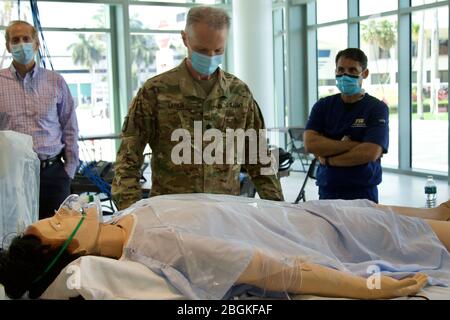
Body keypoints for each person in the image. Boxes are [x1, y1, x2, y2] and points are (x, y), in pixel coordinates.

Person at [1, 193, 450, 300]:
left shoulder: (126, 215)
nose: (69, 208)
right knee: (432, 233)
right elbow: (284, 271)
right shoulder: (164, 247)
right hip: (333, 237)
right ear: (73, 253)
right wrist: (372, 288)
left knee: (433, 211)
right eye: (60, 221)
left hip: (312, 213)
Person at [111, 6, 283, 210]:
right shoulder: (156, 91)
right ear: (185, 39)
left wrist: (279, 211)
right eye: (202, 50)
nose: (210, 57)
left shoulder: (239, 93)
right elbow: (127, 159)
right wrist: (132, 212)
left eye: (218, 50)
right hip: (171, 214)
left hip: (225, 213)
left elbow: (259, 157)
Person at [0, 20, 79, 219]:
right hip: (12, 176)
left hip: (53, 174)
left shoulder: (56, 81)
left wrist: (68, 171)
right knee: (16, 238)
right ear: (8, 46)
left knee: (57, 239)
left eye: (26, 39)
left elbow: (70, 127)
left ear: (36, 44)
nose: (21, 44)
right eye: (15, 40)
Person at [304, 48, 389, 203]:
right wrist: (354, 145)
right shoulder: (323, 106)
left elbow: (371, 152)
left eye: (352, 70)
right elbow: (310, 144)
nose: (345, 75)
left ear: (364, 73)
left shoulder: (376, 108)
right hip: (328, 189)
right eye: (341, 70)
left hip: (363, 191)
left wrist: (329, 159)